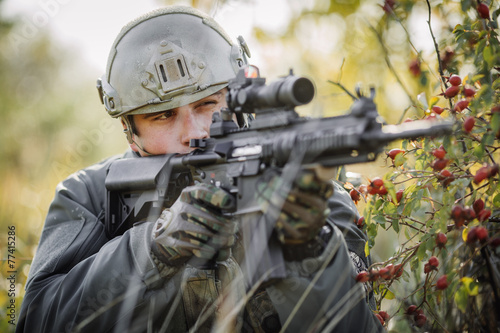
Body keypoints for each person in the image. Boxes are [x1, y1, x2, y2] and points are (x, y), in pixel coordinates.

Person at [17, 6, 383, 333]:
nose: (195, 132)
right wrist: (155, 248)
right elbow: (36, 319)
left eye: (208, 104)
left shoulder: (306, 185)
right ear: (131, 133)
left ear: (239, 103)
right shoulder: (90, 195)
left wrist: (310, 251)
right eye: (164, 116)